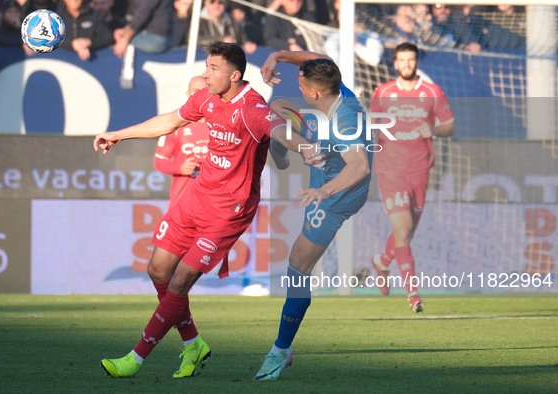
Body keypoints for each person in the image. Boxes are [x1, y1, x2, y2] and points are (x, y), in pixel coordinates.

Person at [94, 42, 314, 379]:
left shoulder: (252, 107)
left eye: (213, 68)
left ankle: (134, 359)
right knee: (158, 271)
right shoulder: (207, 98)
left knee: (181, 280)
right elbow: (169, 121)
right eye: (206, 66)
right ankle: (193, 343)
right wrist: (119, 135)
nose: (205, 74)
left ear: (235, 75)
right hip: (197, 198)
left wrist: (305, 148)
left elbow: (280, 132)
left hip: (230, 210)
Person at [254, 50, 372, 381]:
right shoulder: (338, 90)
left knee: (298, 266)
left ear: (314, 92)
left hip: (339, 195)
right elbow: (320, 59)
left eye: (301, 83)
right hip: (324, 158)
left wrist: (324, 192)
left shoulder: (345, 119)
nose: (299, 85)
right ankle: (285, 152)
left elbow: (360, 167)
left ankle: (280, 351)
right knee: (275, 108)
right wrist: (277, 56)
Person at [369, 42, 455, 313]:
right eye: (402, 60)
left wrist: (432, 129)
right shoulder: (383, 91)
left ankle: (382, 260)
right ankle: (413, 294)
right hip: (391, 169)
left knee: (406, 232)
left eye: (411, 60)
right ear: (395, 63)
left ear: (416, 62)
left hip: (420, 169)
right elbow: (372, 125)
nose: (406, 64)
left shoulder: (432, 92)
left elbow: (449, 126)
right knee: (403, 228)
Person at [154, 76, 210, 208]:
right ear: (188, 94)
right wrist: (180, 168)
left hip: (212, 204)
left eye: (203, 90)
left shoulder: (220, 124)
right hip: (181, 203)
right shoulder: (176, 124)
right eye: (195, 90)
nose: (198, 94)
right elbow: (159, 161)